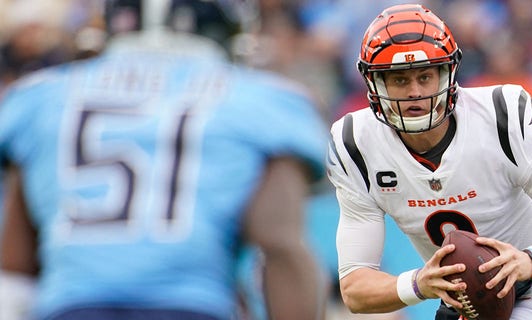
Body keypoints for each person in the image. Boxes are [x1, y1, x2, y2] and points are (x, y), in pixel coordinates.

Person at [0, 1, 328, 319]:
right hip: (193, 306)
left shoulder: (41, 98)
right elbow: (277, 241)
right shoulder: (264, 100)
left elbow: (15, 264)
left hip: (71, 307)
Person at [325, 4, 532, 320]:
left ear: (448, 73)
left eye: (425, 76)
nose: (414, 92)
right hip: (465, 307)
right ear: (374, 85)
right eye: (399, 80)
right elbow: (354, 289)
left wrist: (530, 260)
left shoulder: (500, 119)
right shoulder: (355, 143)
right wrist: (419, 283)